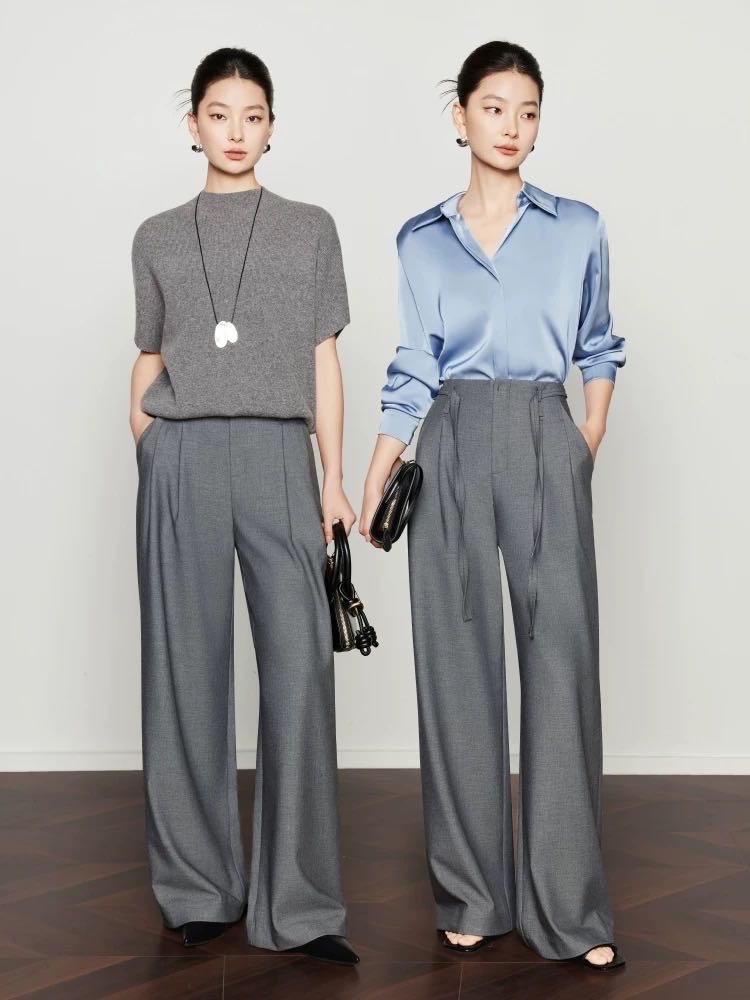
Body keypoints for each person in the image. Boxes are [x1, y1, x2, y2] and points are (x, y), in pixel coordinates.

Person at [360, 40, 627, 972]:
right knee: (457, 665)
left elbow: (599, 342)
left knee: (561, 669)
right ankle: (474, 893)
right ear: (461, 116)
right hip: (453, 439)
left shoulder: (579, 227)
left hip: (547, 433)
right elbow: (413, 365)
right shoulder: (420, 239)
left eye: (528, 110)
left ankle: (571, 910)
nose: (512, 126)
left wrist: (586, 438)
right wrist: (380, 467)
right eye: (494, 107)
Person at [130, 46, 359, 966]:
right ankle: (196, 888)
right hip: (181, 453)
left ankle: (301, 906)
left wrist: (331, 477)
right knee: (184, 671)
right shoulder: (155, 236)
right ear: (193, 124)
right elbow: (149, 355)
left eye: (253, 115)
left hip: (277, 453)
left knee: (300, 672)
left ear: (272, 126)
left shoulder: (310, 229)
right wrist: (148, 449)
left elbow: (324, 360)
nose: (236, 131)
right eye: (219, 114)